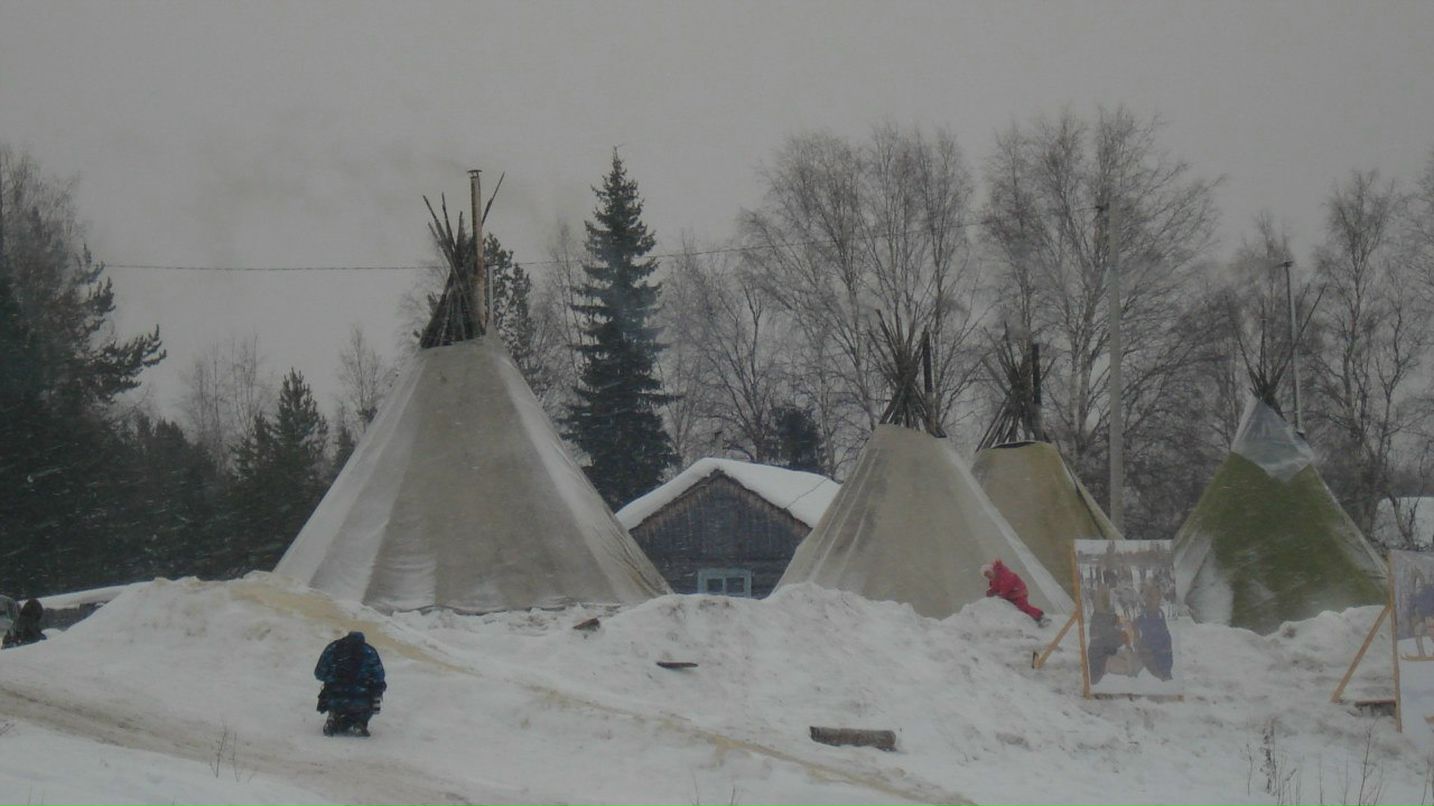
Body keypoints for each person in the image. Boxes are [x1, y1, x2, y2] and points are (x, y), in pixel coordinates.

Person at [314, 631, 386, 737]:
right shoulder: (370, 652)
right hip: (362, 700)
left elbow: (319, 673)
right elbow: (379, 676)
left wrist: (333, 678)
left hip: (334, 697)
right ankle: (360, 722)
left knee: (332, 690)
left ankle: (333, 716)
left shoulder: (333, 648)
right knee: (379, 686)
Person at [981, 560, 1049, 626]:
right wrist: (990, 592)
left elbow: (1006, 586)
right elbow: (995, 588)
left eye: (988, 573)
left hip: (1019, 592)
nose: (988, 576)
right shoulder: (994, 579)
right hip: (1010, 595)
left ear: (992, 570)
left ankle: (1040, 617)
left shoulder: (1004, 574)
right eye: (986, 576)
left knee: (1022, 606)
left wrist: (1001, 594)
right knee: (1012, 607)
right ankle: (1032, 619)